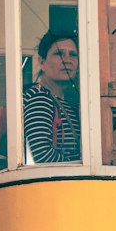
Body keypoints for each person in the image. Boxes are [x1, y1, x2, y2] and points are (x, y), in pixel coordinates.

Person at [23, 30, 81, 163]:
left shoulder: (69, 103)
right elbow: (42, 156)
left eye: (73, 55)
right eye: (59, 54)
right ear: (42, 62)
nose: (67, 60)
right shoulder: (39, 97)